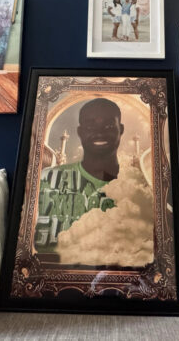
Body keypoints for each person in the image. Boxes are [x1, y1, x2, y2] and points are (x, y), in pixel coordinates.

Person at [35, 98, 125, 247]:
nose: (99, 133)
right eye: (90, 127)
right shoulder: (48, 179)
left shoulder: (139, 186)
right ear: (80, 132)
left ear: (120, 129)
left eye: (109, 126)